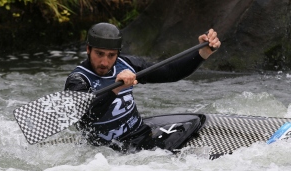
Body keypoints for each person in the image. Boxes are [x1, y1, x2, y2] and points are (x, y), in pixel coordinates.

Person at [64, 22, 221, 152]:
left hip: (140, 134)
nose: (105, 62)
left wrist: (202, 53)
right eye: (99, 54)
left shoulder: (125, 64)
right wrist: (115, 89)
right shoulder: (78, 80)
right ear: (88, 49)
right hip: (106, 151)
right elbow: (85, 117)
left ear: (117, 53)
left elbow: (170, 72)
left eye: (111, 55)